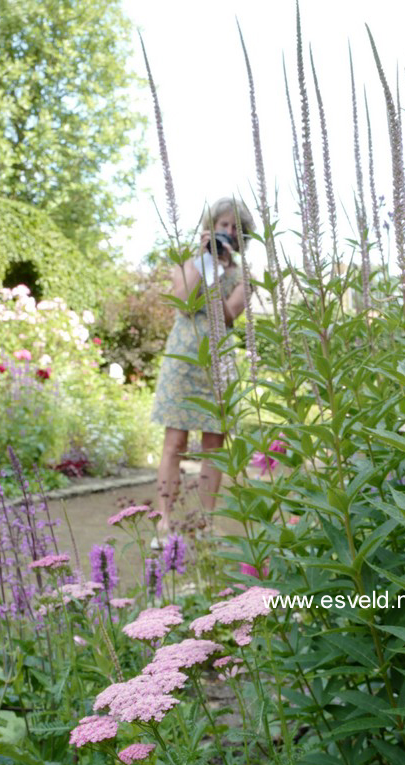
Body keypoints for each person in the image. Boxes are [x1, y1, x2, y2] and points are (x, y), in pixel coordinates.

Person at [151, 196, 254, 537]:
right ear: (209, 228)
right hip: (184, 359)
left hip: (219, 362)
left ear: (243, 237)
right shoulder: (187, 263)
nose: (227, 232)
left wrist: (218, 272)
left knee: (215, 443)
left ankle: (205, 521)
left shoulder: (243, 276)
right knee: (174, 441)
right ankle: (165, 518)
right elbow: (183, 303)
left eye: (234, 228)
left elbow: (227, 315)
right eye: (222, 225)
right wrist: (205, 263)